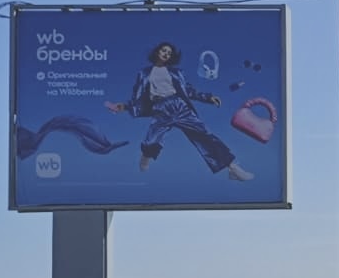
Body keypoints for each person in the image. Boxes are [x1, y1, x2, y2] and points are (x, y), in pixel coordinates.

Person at [105, 41, 254, 181]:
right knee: (151, 139)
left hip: (179, 106)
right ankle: (146, 156)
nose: (166, 54)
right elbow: (138, 96)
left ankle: (233, 168)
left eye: (169, 53)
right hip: (160, 108)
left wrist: (208, 98)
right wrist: (124, 107)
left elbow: (189, 91)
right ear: (157, 52)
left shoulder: (176, 72)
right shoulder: (144, 73)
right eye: (164, 50)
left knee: (205, 135)